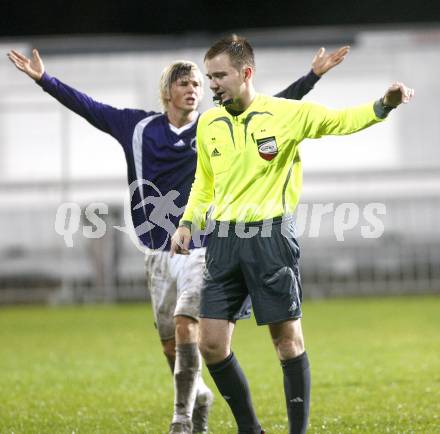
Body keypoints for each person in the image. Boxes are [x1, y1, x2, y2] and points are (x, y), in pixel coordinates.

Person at [8, 43, 350, 434]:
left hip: (203, 248)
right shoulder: (136, 128)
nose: (194, 90)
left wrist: (313, 77)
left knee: (190, 326)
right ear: (167, 91)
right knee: (171, 345)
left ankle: (181, 420)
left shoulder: (214, 124)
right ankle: (198, 394)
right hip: (156, 253)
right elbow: (89, 108)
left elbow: (279, 107)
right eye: (185, 83)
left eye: (197, 84)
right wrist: (44, 80)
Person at [171, 35, 414, 434]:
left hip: (271, 240)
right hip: (223, 243)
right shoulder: (209, 123)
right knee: (211, 345)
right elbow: (204, 181)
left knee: (286, 342)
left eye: (219, 76)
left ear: (245, 73)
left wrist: (383, 105)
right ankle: (251, 429)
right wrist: (186, 222)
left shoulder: (285, 114)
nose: (211, 84)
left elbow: (340, 121)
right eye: (208, 76)